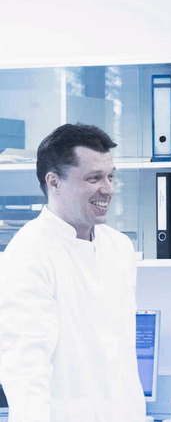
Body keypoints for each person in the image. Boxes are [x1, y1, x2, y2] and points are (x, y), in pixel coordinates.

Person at [0, 124, 146, 422]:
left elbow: (122, 356)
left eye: (110, 176)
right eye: (94, 178)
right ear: (54, 182)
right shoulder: (29, 251)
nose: (108, 189)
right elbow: (25, 369)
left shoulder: (119, 247)